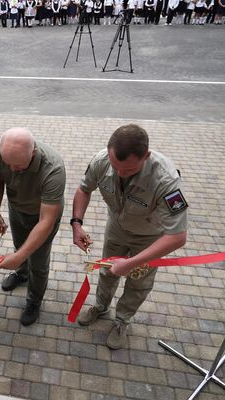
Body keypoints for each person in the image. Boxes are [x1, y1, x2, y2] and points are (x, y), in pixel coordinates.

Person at [72, 124, 188, 349]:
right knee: (107, 272)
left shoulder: (166, 180)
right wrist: (77, 224)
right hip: (116, 229)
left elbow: (177, 236)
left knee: (138, 282)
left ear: (146, 156)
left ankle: (122, 320)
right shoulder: (102, 161)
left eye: (128, 170)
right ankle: (101, 306)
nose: (120, 174)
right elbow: (84, 189)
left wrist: (132, 263)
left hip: (150, 238)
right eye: (116, 167)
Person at [0, 128, 65, 326]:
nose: (13, 170)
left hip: (42, 216)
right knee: (19, 245)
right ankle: (21, 274)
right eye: (9, 164)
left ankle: (34, 301)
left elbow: (46, 221)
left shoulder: (54, 169)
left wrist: (20, 256)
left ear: (33, 153)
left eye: (19, 166)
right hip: (17, 209)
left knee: (38, 261)